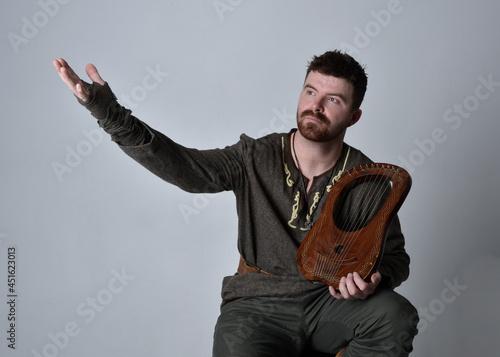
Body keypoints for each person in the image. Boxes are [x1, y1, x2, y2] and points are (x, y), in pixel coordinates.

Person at [53, 50, 418, 357]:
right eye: (310, 92)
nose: (316, 106)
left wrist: (373, 279)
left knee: (394, 316)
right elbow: (185, 167)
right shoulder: (254, 156)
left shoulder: (367, 178)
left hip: (329, 304)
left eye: (333, 100)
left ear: (353, 116)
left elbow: (396, 260)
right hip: (257, 305)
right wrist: (110, 114)